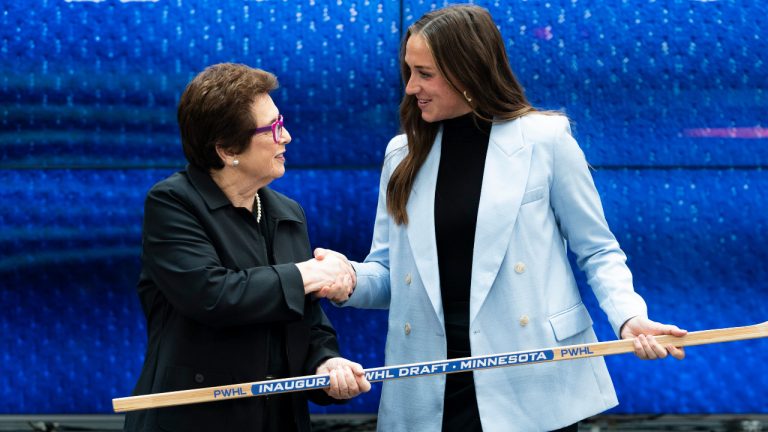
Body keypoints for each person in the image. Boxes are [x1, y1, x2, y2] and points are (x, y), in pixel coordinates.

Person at [320, 5, 686, 432]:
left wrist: (628, 317)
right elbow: (388, 276)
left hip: (532, 377)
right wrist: (346, 280)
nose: (410, 88)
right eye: (409, 71)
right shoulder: (400, 155)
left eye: (425, 73)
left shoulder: (545, 140)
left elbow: (597, 249)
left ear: (466, 72)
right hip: (428, 384)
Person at [124, 63, 368, 432]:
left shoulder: (287, 213)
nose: (286, 136)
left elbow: (307, 320)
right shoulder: (173, 203)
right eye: (272, 128)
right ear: (226, 149)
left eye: (281, 121)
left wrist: (325, 363)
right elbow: (213, 294)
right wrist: (306, 273)